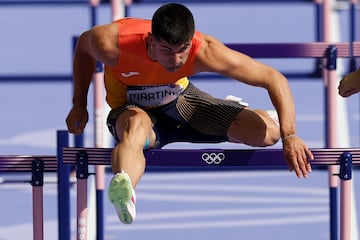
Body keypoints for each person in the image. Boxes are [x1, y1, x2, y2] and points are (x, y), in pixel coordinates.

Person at [66, 3, 314, 224]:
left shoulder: (203, 50)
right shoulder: (112, 42)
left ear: (190, 41)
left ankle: (244, 113)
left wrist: (289, 135)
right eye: (166, 50)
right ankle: (125, 190)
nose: (175, 59)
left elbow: (274, 78)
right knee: (135, 126)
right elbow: (83, 50)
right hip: (131, 111)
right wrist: (79, 103)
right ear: (151, 40)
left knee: (268, 134)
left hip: (183, 103)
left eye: (182, 49)